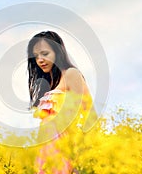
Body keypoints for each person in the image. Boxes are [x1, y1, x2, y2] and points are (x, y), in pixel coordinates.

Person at [27, 31, 97, 173]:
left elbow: (90, 115)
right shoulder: (48, 84)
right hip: (45, 151)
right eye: (36, 56)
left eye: (45, 54)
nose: (40, 60)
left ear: (57, 52)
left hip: (66, 150)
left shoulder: (71, 74)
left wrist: (81, 157)